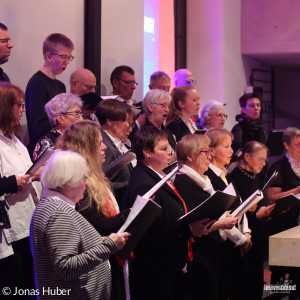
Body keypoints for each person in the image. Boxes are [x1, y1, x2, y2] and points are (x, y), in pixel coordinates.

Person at [122, 126, 212, 300]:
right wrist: (190, 230)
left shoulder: (156, 175)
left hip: (167, 264)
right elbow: (149, 234)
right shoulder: (144, 183)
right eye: (163, 149)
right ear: (147, 152)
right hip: (156, 270)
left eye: (169, 147)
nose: (170, 153)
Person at [30, 150, 130, 300]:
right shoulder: (58, 214)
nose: (87, 182)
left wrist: (97, 242)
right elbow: (66, 267)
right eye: (84, 177)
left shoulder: (52, 206)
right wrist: (109, 245)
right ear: (68, 182)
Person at [174, 134, 244, 300]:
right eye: (204, 152)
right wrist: (221, 223)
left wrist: (221, 216)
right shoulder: (185, 182)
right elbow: (195, 223)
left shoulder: (201, 180)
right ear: (190, 156)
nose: (209, 156)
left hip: (211, 250)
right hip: (200, 254)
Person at [0, 82, 40, 294]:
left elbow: (26, 172)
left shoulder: (14, 139)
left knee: (28, 286)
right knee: (12, 287)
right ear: (5, 107)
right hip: (8, 229)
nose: (23, 111)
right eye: (19, 106)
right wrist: (14, 182)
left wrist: (36, 174)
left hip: (27, 221)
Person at [228, 140, 275, 300]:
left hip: (259, 233)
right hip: (241, 237)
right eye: (260, 159)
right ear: (246, 156)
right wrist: (256, 214)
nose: (263, 164)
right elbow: (235, 211)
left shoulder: (258, 175)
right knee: (244, 281)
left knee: (257, 276)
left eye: (265, 160)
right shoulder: (234, 177)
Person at [25, 33, 74, 155]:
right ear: (49, 56)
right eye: (63, 57)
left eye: (70, 58)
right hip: (44, 151)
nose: (67, 62)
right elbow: (38, 128)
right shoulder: (37, 83)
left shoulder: (60, 85)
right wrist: (65, 121)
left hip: (60, 146)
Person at [266, 127, 300, 298]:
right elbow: (271, 196)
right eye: (298, 145)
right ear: (286, 145)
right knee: (281, 268)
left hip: (298, 224)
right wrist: (295, 191)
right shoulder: (279, 166)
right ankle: (277, 295)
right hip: (284, 224)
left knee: (298, 269)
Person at [96, 99, 136, 205]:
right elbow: (100, 183)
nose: (128, 126)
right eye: (125, 120)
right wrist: (133, 184)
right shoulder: (105, 146)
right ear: (110, 121)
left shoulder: (116, 142)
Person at [32, 93, 83, 161]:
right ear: (60, 118)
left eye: (80, 114)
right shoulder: (47, 141)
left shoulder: (79, 138)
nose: (81, 118)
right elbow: (42, 170)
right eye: (76, 113)